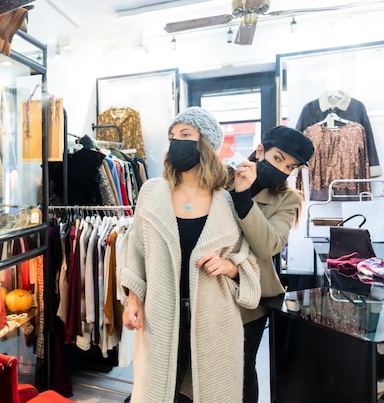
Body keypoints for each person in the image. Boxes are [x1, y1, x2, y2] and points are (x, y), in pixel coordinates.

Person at [120, 106, 261, 403]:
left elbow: (248, 259)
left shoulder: (228, 200)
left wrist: (228, 266)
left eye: (186, 135)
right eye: (172, 136)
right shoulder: (152, 191)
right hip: (160, 315)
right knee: (161, 392)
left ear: (205, 143)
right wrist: (133, 298)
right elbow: (135, 248)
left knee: (210, 392)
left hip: (215, 318)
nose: (176, 142)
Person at [227, 125, 314, 403]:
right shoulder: (223, 180)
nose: (283, 170)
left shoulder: (287, 198)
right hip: (210, 289)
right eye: (278, 159)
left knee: (241, 372)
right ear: (261, 150)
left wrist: (243, 200)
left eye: (291, 166)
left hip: (252, 300)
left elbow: (268, 245)